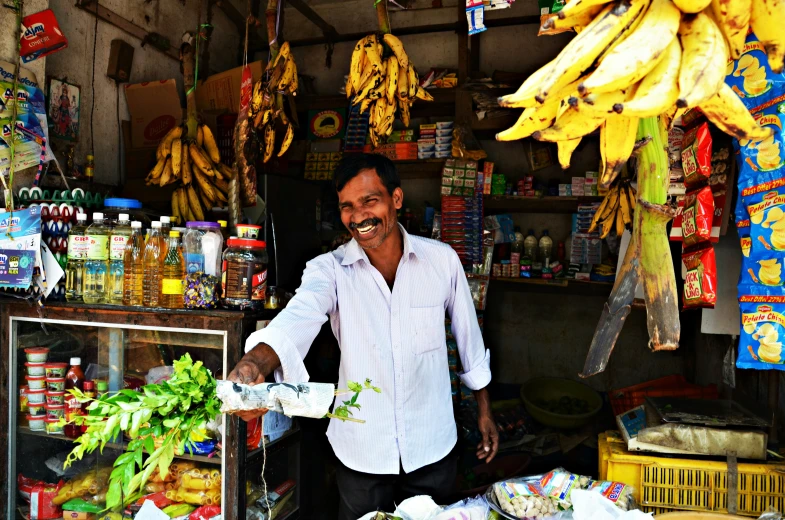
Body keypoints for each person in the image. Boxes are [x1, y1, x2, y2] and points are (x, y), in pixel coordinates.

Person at [228, 153, 498, 520]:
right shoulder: (330, 270)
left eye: (370, 201)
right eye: (347, 207)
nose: (358, 217)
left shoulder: (442, 261)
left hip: (432, 446)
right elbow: (300, 315)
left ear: (396, 199)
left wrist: (484, 410)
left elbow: (468, 338)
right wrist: (254, 362)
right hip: (362, 453)